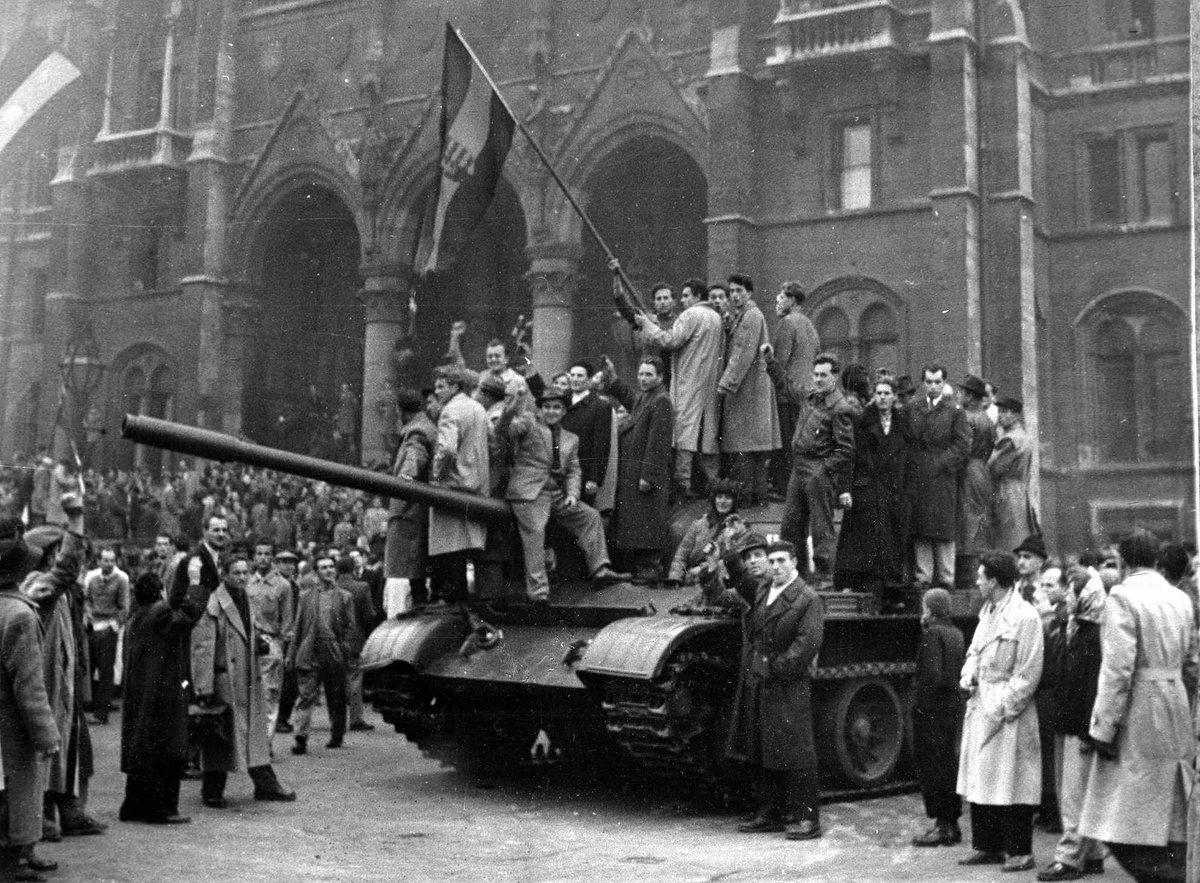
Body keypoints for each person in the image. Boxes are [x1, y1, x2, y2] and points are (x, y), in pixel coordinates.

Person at [1077, 530, 1197, 883]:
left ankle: (1164, 877)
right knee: (1171, 804)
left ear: (1125, 561)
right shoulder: (1179, 598)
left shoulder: (1123, 597)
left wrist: (1102, 727)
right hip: (1174, 702)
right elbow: (1191, 663)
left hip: (1139, 706)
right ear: (1156, 559)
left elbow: (1117, 670)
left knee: (1120, 811)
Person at [725, 538, 824, 840]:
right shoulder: (765, 590)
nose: (777, 566)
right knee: (763, 748)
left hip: (787, 683)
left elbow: (808, 642)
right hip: (761, 679)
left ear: (795, 562)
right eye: (773, 561)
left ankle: (806, 818)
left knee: (796, 750)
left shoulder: (807, 598)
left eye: (783, 560)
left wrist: (778, 667)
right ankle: (770, 812)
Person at [957, 551, 1044, 873]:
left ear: (994, 580)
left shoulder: (1025, 616)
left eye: (981, 577)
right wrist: (968, 675)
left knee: (1013, 780)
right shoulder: (988, 612)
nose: (977, 582)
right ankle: (988, 846)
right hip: (982, 702)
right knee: (982, 778)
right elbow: (975, 652)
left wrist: (1001, 706)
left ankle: (1020, 851)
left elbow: (1028, 673)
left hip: (1009, 713)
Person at [190, 556, 296, 808]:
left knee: (252, 734)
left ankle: (265, 783)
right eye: (235, 572)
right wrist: (203, 687)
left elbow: (249, 629)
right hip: (225, 680)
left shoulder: (245, 599)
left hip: (247, 677)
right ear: (224, 574)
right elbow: (202, 647)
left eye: (244, 572)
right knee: (220, 735)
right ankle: (212, 789)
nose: (241, 577)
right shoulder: (214, 603)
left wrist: (257, 642)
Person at [505, 389, 626, 601]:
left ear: (563, 411)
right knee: (535, 532)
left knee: (590, 517)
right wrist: (511, 410)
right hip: (530, 493)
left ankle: (600, 570)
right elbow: (509, 430)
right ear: (541, 410)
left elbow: (574, 470)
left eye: (556, 407)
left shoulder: (571, 439)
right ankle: (539, 592)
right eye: (547, 407)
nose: (551, 411)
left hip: (556, 494)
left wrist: (572, 494)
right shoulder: (529, 425)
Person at [0, 518, 62, 880]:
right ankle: (15, 859)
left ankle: (19, 850)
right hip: (13, 723)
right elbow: (29, 686)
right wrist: (46, 733)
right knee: (20, 788)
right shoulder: (20, 614)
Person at [1037, 569, 1106, 881]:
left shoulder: (1091, 635)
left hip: (1079, 726)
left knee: (1073, 796)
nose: (1066, 595)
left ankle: (1069, 858)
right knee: (1078, 793)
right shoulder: (1078, 629)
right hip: (1072, 723)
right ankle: (1091, 855)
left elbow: (1090, 687)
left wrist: (1086, 731)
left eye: (1072, 591)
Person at [118, 572, 198, 825]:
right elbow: (189, 615)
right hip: (163, 696)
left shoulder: (136, 618)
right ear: (161, 593)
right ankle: (162, 809)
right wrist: (197, 582)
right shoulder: (159, 615)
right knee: (165, 749)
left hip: (140, 696)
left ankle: (134, 805)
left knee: (141, 750)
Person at [633, 277, 724, 498]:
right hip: (710, 382)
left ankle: (683, 486)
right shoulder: (716, 317)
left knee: (685, 432)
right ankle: (716, 483)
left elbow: (670, 341)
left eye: (685, 295)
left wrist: (647, 325)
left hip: (689, 381)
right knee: (707, 435)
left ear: (696, 297)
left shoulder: (691, 315)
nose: (682, 300)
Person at [833, 373, 913, 600]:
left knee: (889, 539)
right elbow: (850, 456)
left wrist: (907, 492)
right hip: (865, 491)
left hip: (892, 492)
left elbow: (910, 462)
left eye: (887, 394)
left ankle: (889, 588)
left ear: (895, 397)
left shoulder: (903, 425)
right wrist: (845, 488)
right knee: (861, 541)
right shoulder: (862, 422)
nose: (882, 398)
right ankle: (861, 585)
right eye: (878, 394)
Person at [780, 354, 856, 587]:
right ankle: (797, 576)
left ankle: (825, 577)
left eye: (824, 375)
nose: (819, 379)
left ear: (834, 376)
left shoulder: (839, 407)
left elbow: (846, 449)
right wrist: (772, 362)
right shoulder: (810, 397)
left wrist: (823, 470)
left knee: (822, 526)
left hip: (818, 467)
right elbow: (786, 385)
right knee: (791, 524)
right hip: (799, 466)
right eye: (816, 375)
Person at [428, 365, 490, 602]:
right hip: (476, 490)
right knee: (464, 556)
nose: (437, 391)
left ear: (455, 386)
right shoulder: (478, 408)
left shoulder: (450, 411)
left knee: (449, 558)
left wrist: (437, 476)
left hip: (452, 490)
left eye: (441, 386)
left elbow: (447, 448)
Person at [608, 357, 674, 579]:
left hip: (646, 478)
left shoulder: (662, 401)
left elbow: (658, 443)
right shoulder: (647, 397)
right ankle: (641, 573)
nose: (643, 379)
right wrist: (614, 379)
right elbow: (630, 397)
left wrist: (648, 476)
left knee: (647, 530)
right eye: (641, 374)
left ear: (660, 377)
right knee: (638, 528)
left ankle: (649, 574)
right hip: (635, 475)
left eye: (648, 375)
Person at [718, 274, 781, 505]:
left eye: (739, 291)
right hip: (752, 392)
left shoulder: (750, 317)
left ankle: (747, 503)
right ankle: (758, 500)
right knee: (754, 452)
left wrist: (725, 384)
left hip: (746, 393)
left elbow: (742, 354)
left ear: (749, 293)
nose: (735, 295)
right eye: (732, 291)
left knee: (744, 451)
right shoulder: (747, 316)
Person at [911, 587, 965, 847]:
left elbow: (932, 676)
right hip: (952, 709)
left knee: (933, 767)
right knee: (947, 765)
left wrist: (921, 707)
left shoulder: (933, 634)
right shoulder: (955, 633)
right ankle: (951, 824)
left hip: (933, 712)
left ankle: (942, 826)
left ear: (930, 610)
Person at [287, 554, 355, 756]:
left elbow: (350, 627)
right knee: (306, 695)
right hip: (310, 650)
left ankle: (337, 733)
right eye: (323, 567)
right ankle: (300, 737)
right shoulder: (306, 597)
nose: (328, 570)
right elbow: (298, 627)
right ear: (317, 572)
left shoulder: (344, 597)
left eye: (331, 567)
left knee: (336, 695)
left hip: (333, 650)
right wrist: (292, 653)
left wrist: (346, 651)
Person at [909, 364, 970, 589]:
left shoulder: (954, 412)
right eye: (929, 382)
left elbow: (963, 445)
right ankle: (923, 576)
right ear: (923, 383)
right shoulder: (913, 408)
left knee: (943, 526)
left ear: (944, 383)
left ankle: (946, 577)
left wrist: (942, 463)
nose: (933, 387)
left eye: (937, 382)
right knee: (921, 525)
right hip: (918, 475)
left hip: (943, 477)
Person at [767, 281, 821, 497]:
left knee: (787, 443)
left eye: (780, 298)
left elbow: (779, 363)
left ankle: (785, 490)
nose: (777, 302)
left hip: (788, 395)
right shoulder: (810, 325)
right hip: (807, 394)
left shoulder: (788, 324)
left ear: (791, 300)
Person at [385, 388, 437, 612]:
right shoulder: (425, 426)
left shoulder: (416, 431)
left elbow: (412, 463)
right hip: (417, 511)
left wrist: (405, 477)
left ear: (400, 410)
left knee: (414, 565)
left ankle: (420, 604)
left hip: (412, 512)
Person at [246, 542, 294, 744]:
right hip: (247, 642)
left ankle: (265, 744)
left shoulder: (283, 586)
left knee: (269, 695)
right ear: (254, 557)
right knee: (248, 694)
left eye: (267, 554)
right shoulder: (247, 582)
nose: (263, 558)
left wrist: (285, 651)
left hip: (270, 641)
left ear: (272, 558)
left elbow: (287, 622)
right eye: (259, 554)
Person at [83, 547, 130, 725]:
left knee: (105, 670)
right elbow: (87, 598)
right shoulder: (92, 577)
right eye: (105, 560)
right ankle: (93, 706)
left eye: (111, 560)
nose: (108, 563)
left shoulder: (122, 579)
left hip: (108, 627)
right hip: (92, 626)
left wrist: (114, 626)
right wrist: (87, 616)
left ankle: (102, 712)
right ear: (99, 561)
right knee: (90, 668)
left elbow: (124, 607)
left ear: (115, 561)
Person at [957, 374, 995, 582]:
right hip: (982, 470)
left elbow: (963, 450)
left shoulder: (968, 418)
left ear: (970, 396)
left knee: (967, 521)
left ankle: (969, 577)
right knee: (978, 519)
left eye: (962, 393)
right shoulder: (987, 418)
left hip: (969, 471)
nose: (958, 396)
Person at [668, 479, 742, 585]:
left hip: (717, 579)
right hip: (690, 577)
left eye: (728, 498)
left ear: (734, 501)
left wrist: (701, 569)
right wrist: (675, 578)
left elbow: (729, 561)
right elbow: (682, 553)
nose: (722, 501)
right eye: (719, 497)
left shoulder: (739, 528)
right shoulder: (700, 523)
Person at [561, 362, 613, 508]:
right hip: (562, 469)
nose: (575, 379)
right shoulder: (563, 401)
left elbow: (601, 445)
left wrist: (594, 479)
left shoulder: (600, 406)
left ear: (589, 380)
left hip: (584, 472)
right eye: (572, 375)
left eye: (580, 375)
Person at [989, 396, 1036, 552]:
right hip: (1020, 493)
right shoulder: (1024, 437)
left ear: (1015, 415)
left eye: (1005, 412)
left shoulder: (1010, 440)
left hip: (1005, 492)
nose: (1000, 415)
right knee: (1018, 537)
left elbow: (993, 468)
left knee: (1006, 540)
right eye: (999, 411)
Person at [335, 556, 376, 732]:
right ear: (353, 569)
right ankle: (356, 718)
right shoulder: (362, 587)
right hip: (356, 638)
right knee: (354, 678)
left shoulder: (331, 588)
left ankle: (336, 718)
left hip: (333, 639)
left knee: (335, 678)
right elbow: (369, 615)